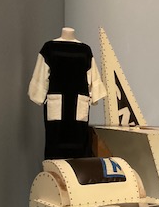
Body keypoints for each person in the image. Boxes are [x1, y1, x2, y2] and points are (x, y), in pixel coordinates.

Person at [28, 27, 106, 159]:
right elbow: (95, 88)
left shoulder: (85, 51)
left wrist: (38, 94)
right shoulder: (49, 49)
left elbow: (37, 90)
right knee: (55, 149)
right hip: (60, 110)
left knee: (78, 150)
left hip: (76, 110)